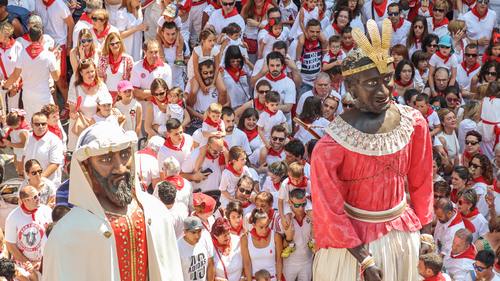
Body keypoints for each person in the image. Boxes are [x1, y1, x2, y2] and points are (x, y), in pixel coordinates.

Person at [311, 19, 433, 281]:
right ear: (351, 87)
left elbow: (422, 182)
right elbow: (329, 211)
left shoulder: (414, 123)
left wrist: (425, 233)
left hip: (403, 236)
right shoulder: (330, 146)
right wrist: (364, 259)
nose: (383, 91)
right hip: (353, 248)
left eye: (386, 79)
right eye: (370, 83)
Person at [42, 122, 183, 280]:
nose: (120, 168)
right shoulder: (68, 232)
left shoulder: (156, 212)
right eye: (106, 159)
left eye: (124, 155)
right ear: (86, 168)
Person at [1, 25, 60, 121]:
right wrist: (58, 60)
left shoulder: (22, 54)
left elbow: (15, 75)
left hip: (28, 96)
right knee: (51, 123)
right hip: (44, 96)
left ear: (29, 37)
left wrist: (5, 87)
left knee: (31, 123)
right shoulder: (49, 56)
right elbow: (56, 77)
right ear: (41, 38)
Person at [5, 185, 52, 273]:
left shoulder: (47, 211)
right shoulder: (13, 217)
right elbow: (10, 245)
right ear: (25, 201)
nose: (38, 198)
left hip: (44, 264)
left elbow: (53, 238)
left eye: (39, 194)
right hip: (23, 267)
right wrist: (27, 262)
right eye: (34, 197)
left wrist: (42, 262)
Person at [276, 188, 313, 281]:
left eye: (303, 204)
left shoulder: (311, 217)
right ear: (290, 203)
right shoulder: (283, 220)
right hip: (289, 264)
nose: (301, 208)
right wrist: (288, 238)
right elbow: (279, 247)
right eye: (297, 205)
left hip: (307, 263)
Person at [23, 112, 64, 187]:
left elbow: (55, 164)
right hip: (29, 184)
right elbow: (24, 156)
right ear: (32, 125)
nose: (41, 126)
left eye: (43, 124)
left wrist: (38, 180)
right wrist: (21, 175)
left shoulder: (55, 140)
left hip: (47, 185)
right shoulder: (28, 137)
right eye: (37, 124)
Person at [241, 209, 283, 281]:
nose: (264, 230)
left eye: (267, 226)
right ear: (254, 225)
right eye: (261, 227)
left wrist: (279, 280)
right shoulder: (245, 239)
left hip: (273, 279)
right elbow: (247, 263)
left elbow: (279, 260)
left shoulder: (276, 236)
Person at [97, 32, 134, 99]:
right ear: (108, 45)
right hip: (106, 96)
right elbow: (100, 78)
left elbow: (131, 79)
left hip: (123, 96)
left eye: (117, 43)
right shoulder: (103, 59)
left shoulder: (128, 59)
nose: (115, 45)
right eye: (112, 44)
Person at [178, 216, 215, 281]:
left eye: (199, 231)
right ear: (185, 232)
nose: (197, 236)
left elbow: (210, 263)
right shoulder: (178, 247)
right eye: (193, 232)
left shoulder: (205, 238)